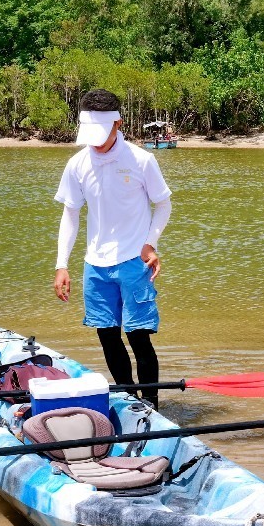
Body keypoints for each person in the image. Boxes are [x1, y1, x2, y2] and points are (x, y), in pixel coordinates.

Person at [54, 89, 172, 407]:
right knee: (107, 335)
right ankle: (129, 399)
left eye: (101, 134)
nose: (95, 143)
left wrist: (150, 243)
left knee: (137, 336)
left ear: (117, 124)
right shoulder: (77, 164)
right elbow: (70, 215)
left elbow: (163, 204)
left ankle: (151, 403)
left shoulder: (141, 160)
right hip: (95, 264)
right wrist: (61, 264)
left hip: (134, 260)